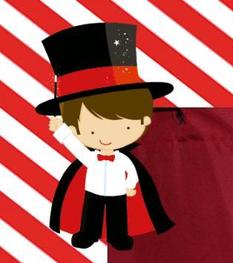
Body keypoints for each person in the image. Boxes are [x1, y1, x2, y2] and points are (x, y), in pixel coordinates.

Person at [38, 23, 174, 249]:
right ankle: (88, 233)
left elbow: (131, 172)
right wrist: (62, 131)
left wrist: (130, 185)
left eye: (124, 127)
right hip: (93, 189)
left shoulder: (123, 160)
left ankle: (118, 235)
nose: (106, 136)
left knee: (117, 214)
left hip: (117, 192)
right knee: (91, 212)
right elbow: (77, 148)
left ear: (144, 120)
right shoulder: (91, 158)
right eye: (91, 130)